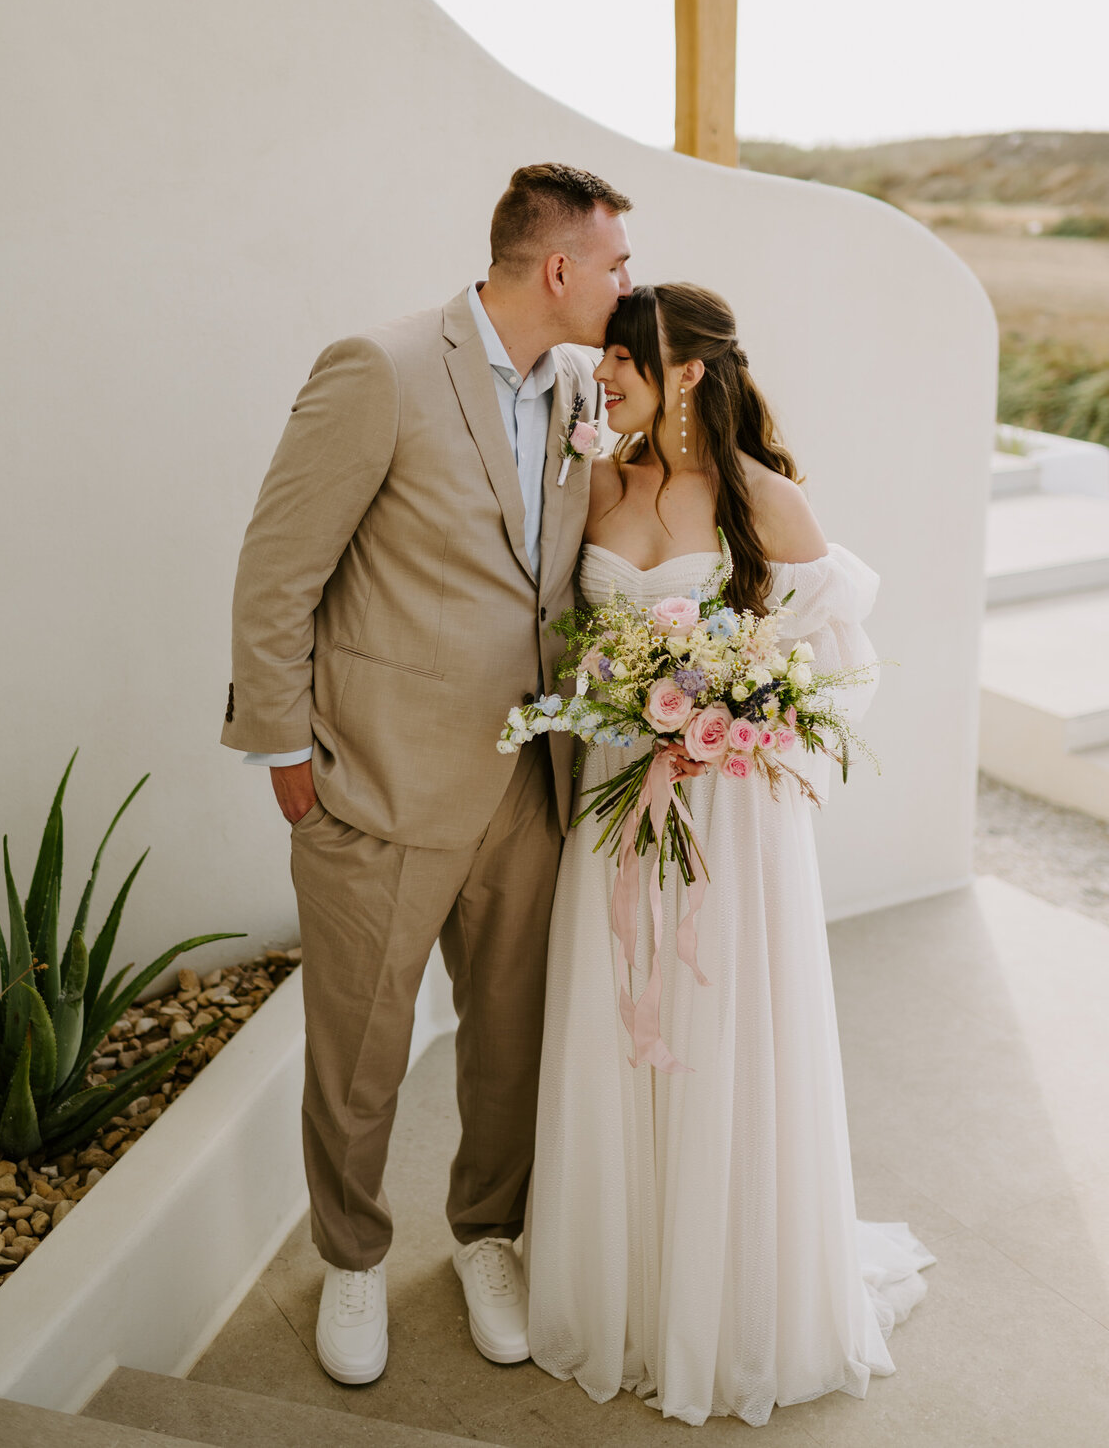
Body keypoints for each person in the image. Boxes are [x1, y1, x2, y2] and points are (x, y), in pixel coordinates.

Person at [221, 164, 632, 1385]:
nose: (628, 283)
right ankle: (351, 1258)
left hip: (533, 785)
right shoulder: (380, 367)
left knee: (511, 1041)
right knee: (361, 1049)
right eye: (616, 262)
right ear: (557, 268)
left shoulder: (575, 387)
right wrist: (287, 753)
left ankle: (487, 1237)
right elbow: (277, 567)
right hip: (380, 783)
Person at [525, 282, 934, 1428]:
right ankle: (626, 1281)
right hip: (617, 798)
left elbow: (834, 682)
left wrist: (734, 718)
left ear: (690, 371)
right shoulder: (602, 481)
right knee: (619, 1024)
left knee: (720, 1033)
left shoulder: (766, 502)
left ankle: (731, 1296)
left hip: (733, 822)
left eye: (625, 357)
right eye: (601, 356)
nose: (604, 372)